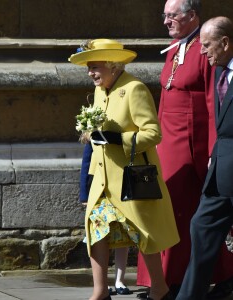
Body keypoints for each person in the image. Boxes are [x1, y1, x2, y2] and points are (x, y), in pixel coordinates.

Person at [69, 38, 180, 300]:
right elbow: (97, 127)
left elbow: (153, 134)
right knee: (96, 230)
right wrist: (89, 134)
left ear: (112, 65)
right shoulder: (99, 91)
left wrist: (121, 139)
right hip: (103, 180)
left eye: (94, 66)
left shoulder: (134, 88)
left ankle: (159, 287)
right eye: (88, 67)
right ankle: (99, 292)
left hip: (130, 178)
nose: (90, 73)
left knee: (142, 232)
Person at [136, 1, 233, 298]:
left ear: (191, 16)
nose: (166, 21)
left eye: (172, 15)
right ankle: (162, 280)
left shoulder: (207, 49)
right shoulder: (176, 48)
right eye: (164, 15)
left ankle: (182, 282)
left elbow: (212, 103)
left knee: (186, 214)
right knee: (164, 211)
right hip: (167, 142)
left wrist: (211, 152)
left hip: (194, 146)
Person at [176, 16, 233, 300]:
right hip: (221, 170)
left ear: (225, 43)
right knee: (201, 226)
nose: (202, 51)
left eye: (207, 45)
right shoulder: (221, 72)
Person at [79, 142, 130, 296]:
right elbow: (86, 165)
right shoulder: (93, 137)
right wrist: (84, 194)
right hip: (99, 192)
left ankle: (119, 280)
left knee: (123, 235)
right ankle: (103, 284)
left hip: (121, 189)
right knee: (100, 236)